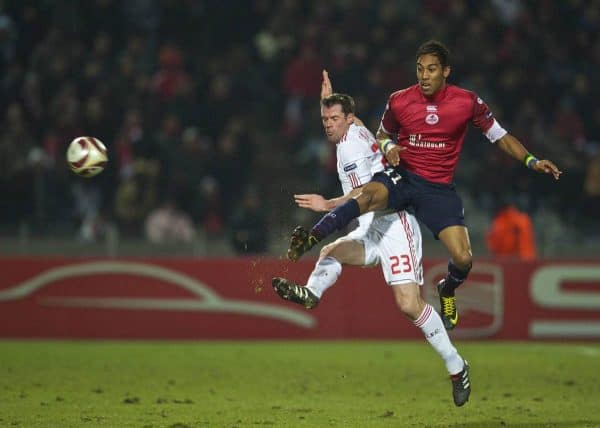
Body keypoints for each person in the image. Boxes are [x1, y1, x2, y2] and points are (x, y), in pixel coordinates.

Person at [285, 40, 562, 331]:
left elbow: (500, 136)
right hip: (403, 178)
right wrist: (390, 145)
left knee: (464, 258)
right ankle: (312, 237)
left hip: (437, 190)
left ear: (446, 71)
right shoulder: (400, 100)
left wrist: (532, 161)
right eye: (420, 69)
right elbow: (381, 133)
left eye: (431, 69)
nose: (424, 75)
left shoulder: (467, 102)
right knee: (366, 197)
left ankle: (447, 289)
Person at [273, 71, 471, 407]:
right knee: (332, 251)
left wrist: (327, 203)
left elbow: (359, 195)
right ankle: (311, 292)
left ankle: (456, 365)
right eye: (324, 119)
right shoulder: (358, 128)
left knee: (408, 304)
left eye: (334, 119)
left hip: (395, 223)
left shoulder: (348, 148)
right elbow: (360, 191)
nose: (328, 124)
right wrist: (329, 99)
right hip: (370, 223)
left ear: (347, 119)